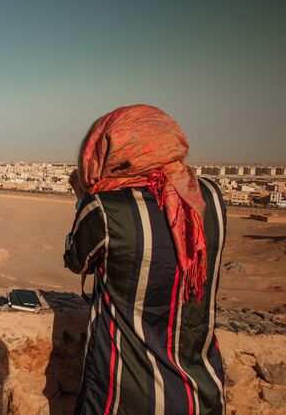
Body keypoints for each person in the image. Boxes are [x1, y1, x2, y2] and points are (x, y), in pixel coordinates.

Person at [63, 104, 226, 414]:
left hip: (125, 387)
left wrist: (83, 198)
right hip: (200, 386)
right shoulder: (210, 198)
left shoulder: (104, 207)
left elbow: (77, 261)